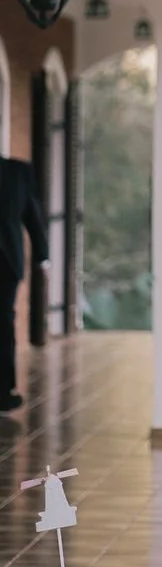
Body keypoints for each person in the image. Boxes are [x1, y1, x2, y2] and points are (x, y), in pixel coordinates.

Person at [0, 155, 49, 412]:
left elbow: (32, 213)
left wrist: (43, 256)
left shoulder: (18, 171)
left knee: (4, 322)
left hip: (6, 261)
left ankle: (4, 390)